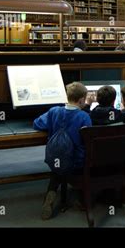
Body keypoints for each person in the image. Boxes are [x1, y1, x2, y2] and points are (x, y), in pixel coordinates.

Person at [33, 82, 92, 220]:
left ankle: (51, 194)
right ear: (82, 100)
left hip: (55, 159)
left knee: (58, 169)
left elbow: (37, 123)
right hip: (76, 162)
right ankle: (82, 199)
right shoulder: (84, 116)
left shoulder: (54, 111)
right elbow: (87, 141)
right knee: (75, 162)